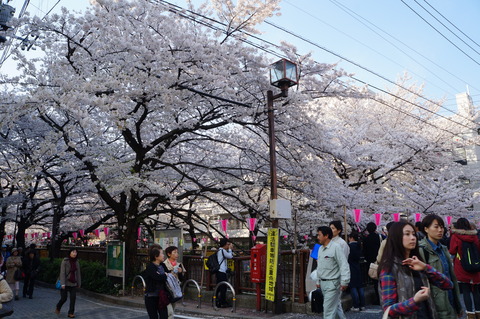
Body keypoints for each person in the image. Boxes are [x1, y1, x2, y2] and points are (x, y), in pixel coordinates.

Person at [378, 221, 453, 318]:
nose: (413, 238)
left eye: (414, 234)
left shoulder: (417, 263)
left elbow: (448, 285)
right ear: (396, 237)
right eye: (407, 234)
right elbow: (389, 310)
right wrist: (414, 301)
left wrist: (426, 268)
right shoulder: (389, 268)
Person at [418, 214, 462, 319]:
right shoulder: (422, 250)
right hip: (436, 304)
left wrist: (458, 305)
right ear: (426, 229)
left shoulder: (443, 249)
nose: (440, 230)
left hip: (450, 300)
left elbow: (451, 278)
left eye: (442, 227)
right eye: (436, 226)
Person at [313, 226, 350, 319]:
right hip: (323, 283)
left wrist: (345, 281)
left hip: (333, 284)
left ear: (326, 236)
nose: (318, 237)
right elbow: (320, 267)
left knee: (328, 311)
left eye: (319, 235)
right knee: (336, 309)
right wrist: (318, 281)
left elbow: (343, 264)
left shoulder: (336, 247)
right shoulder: (320, 249)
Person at [449, 217, 480, 319]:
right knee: (476, 291)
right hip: (475, 267)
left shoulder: (456, 236)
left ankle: (470, 314)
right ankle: (478, 312)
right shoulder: (474, 236)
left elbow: (452, 251)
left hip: (462, 267)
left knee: (466, 291)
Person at [143, 245, 170, 319]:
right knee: (153, 317)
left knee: (164, 316)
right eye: (161, 253)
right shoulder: (150, 267)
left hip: (162, 296)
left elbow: (168, 276)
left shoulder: (163, 265)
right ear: (156, 256)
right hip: (151, 297)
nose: (163, 255)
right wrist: (164, 275)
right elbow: (157, 277)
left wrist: (164, 275)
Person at [55, 248, 81, 318]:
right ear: (70, 253)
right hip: (65, 282)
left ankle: (71, 313)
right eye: (73, 252)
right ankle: (58, 307)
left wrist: (79, 283)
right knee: (64, 298)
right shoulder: (65, 261)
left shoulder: (77, 262)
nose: (74, 253)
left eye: (76, 252)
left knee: (73, 298)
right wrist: (62, 283)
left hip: (73, 283)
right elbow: (62, 273)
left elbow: (78, 273)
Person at [363, 222, 382, 305]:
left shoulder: (366, 239)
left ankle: (378, 299)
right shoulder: (379, 237)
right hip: (380, 260)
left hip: (371, 262)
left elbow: (365, 252)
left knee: (374, 281)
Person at [347, 232, 365, 312]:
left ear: (351, 238)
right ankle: (362, 304)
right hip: (357, 267)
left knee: (353, 286)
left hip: (351, 267)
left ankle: (356, 305)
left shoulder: (349, 246)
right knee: (359, 286)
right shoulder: (358, 246)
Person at [215, 238, 233, 308]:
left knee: (219, 287)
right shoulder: (222, 251)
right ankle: (222, 302)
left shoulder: (219, 250)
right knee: (223, 288)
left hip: (218, 271)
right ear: (224, 244)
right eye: (228, 244)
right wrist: (230, 249)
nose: (228, 246)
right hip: (222, 272)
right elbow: (230, 256)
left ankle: (216, 301)